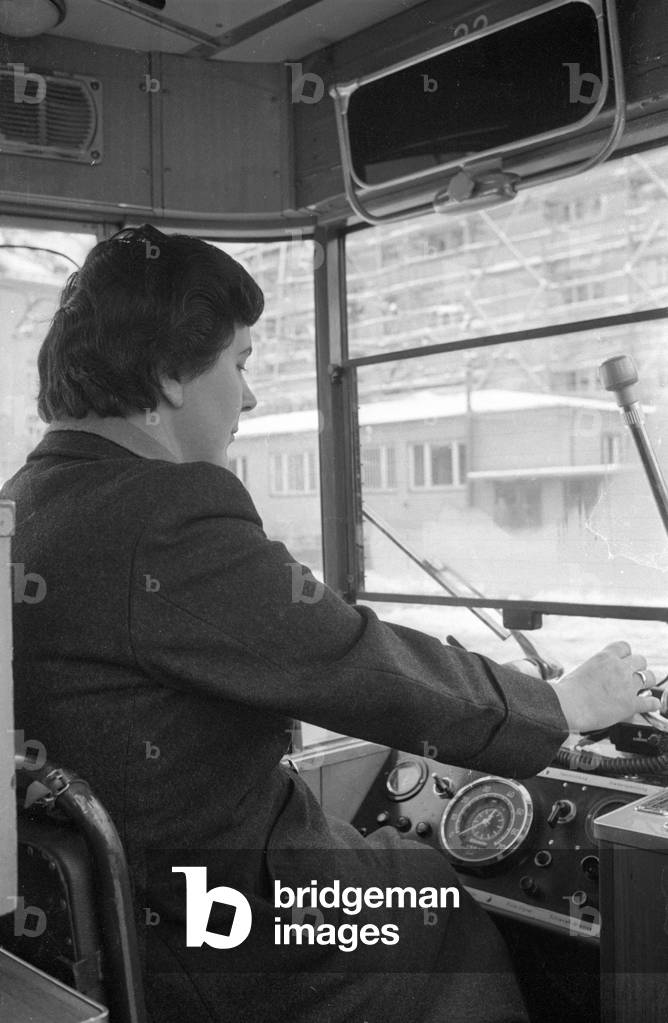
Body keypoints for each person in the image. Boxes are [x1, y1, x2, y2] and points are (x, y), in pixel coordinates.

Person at [2, 225, 659, 1023]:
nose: (247, 397)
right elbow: (353, 659)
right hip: (221, 927)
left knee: (397, 862)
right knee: (434, 903)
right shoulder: (165, 514)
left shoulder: (27, 503)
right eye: (238, 364)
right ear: (173, 372)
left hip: (108, 927)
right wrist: (563, 705)